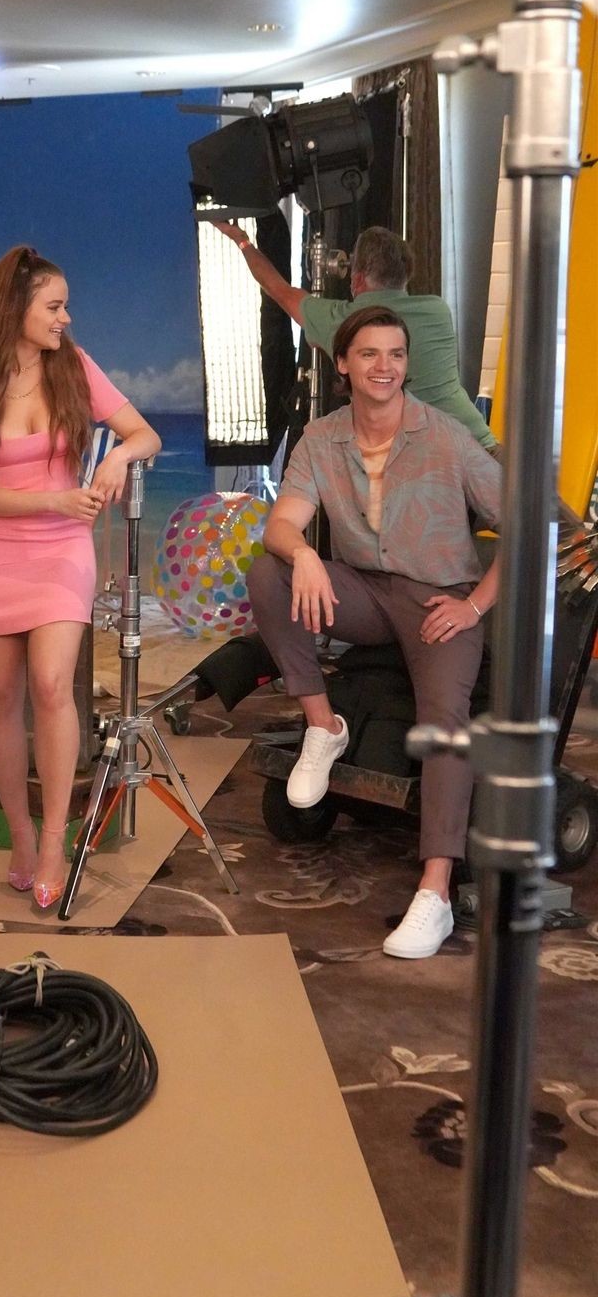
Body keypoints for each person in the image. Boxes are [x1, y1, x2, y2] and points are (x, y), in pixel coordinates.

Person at [247, 303, 502, 960]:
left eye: (395, 354)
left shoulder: (446, 437)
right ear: (343, 364)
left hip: (440, 602)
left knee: (444, 722)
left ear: (406, 364)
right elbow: (282, 524)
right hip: (363, 591)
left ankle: (435, 893)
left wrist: (475, 606)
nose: (384, 366)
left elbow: (529, 528)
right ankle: (323, 726)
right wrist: (305, 555)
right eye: (369, 353)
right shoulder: (322, 437)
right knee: (269, 573)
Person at [0, 245, 160, 910]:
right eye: (55, 306)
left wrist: (117, 459)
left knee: (50, 685)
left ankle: (53, 843)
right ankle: (19, 834)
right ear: (15, 308)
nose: (66, 318)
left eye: (65, 307)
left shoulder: (75, 366)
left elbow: (144, 434)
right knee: (1, 698)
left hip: (63, 550)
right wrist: (54, 499)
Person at [214, 220, 496, 450]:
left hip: (438, 471)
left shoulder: (348, 322)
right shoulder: (437, 310)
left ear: (358, 278)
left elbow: (278, 289)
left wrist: (242, 241)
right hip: (484, 448)